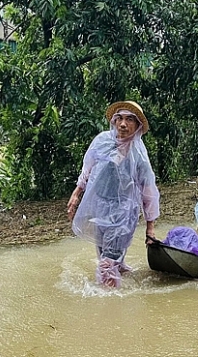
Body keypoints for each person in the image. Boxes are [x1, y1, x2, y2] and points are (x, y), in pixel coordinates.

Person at [67, 101, 160, 288]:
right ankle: (119, 273)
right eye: (119, 119)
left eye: (129, 120)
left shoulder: (138, 154)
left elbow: (148, 190)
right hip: (100, 205)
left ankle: (108, 302)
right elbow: (88, 167)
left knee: (106, 263)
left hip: (123, 211)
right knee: (104, 255)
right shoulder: (102, 141)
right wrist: (77, 193)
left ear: (138, 126)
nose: (123, 124)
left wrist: (150, 228)